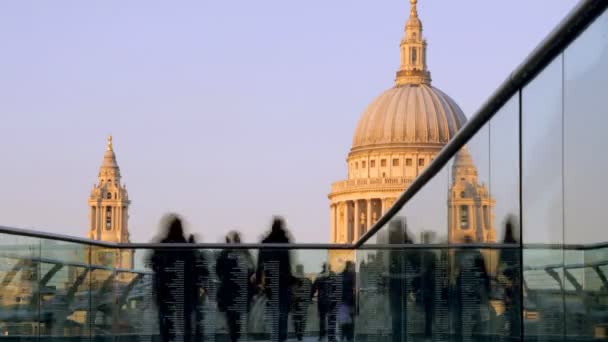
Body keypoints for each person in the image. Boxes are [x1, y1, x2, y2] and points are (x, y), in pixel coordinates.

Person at [149, 214, 196, 342]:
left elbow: (153, 263)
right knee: (185, 323)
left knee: (166, 323)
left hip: (165, 290)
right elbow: (192, 267)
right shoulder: (186, 245)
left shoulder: (162, 244)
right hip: (183, 290)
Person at [256, 217, 294, 342]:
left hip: (271, 282)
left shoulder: (266, 242)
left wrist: (258, 279)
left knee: (275, 315)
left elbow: (260, 263)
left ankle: (276, 338)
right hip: (283, 282)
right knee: (282, 315)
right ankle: (280, 338)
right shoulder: (285, 241)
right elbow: (287, 264)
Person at [216, 231, 255, 342]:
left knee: (232, 319)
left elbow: (219, 271)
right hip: (241, 291)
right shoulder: (244, 252)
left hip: (228, 292)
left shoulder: (224, 253)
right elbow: (251, 270)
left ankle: (234, 338)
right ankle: (238, 338)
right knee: (239, 320)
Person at [453, 236, 491, 342]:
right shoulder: (476, 254)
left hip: (467, 288)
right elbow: (484, 272)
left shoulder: (459, 254)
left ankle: (469, 335)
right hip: (472, 289)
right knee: (475, 315)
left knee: (468, 315)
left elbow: (456, 272)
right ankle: (474, 335)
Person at [497, 216, 521, 339]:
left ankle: (511, 334)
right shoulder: (515, 244)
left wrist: (506, 282)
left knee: (509, 311)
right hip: (515, 285)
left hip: (508, 285)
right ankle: (514, 334)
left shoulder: (504, 246)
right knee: (515, 312)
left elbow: (500, 268)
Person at [312, 263, 337, 342]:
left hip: (322, 301)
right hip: (331, 301)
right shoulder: (333, 275)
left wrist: (310, 296)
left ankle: (322, 336)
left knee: (322, 320)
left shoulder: (320, 276)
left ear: (323, 268)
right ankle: (331, 337)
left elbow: (314, 288)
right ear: (330, 267)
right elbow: (337, 288)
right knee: (331, 319)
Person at [291, 264, 312, 341]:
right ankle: (300, 335)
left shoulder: (292, 281)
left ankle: (298, 334)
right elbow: (309, 292)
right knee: (302, 319)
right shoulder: (307, 280)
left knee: (296, 319)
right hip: (303, 303)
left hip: (295, 302)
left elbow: (290, 292)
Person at [339, 261, 356, 342]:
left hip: (342, 302)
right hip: (349, 302)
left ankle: (343, 336)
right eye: (353, 267)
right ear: (349, 267)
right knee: (350, 321)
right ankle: (349, 337)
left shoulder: (340, 275)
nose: (354, 268)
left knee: (344, 321)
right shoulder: (352, 276)